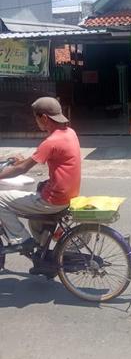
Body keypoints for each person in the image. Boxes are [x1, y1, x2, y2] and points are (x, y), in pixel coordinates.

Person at [0, 97, 81, 266]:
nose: (35, 121)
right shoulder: (69, 133)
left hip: (53, 199)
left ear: (44, 118)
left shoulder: (50, 142)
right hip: (69, 194)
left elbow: (22, 170)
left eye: (36, 117)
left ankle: (21, 240)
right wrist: (20, 160)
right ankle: (44, 257)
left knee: (1, 199)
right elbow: (32, 160)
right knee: (34, 220)